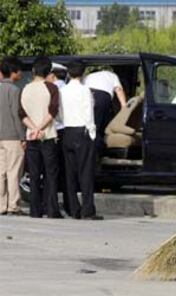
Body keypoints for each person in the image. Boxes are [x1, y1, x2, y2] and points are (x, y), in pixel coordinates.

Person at [19, 56, 62, 218]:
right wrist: (41, 128)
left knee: (34, 174)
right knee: (51, 174)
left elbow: (21, 113)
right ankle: (52, 209)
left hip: (31, 136)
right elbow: (53, 111)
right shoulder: (52, 88)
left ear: (33, 71)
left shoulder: (26, 88)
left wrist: (33, 128)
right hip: (48, 135)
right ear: (49, 71)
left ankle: (35, 210)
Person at [60, 60, 102, 220]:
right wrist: (92, 133)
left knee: (70, 173)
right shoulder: (85, 90)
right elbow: (88, 113)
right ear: (83, 73)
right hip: (82, 132)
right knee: (85, 173)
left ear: (69, 73)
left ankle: (73, 209)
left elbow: (59, 112)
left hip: (68, 130)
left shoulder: (63, 90)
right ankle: (88, 210)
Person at [0, 57, 26, 216]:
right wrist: (23, 137)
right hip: (12, 137)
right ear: (13, 72)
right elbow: (16, 116)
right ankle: (13, 205)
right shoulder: (15, 90)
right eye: (20, 71)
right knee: (14, 171)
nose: (21, 73)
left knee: (0, 172)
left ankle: (1, 205)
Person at [46, 63, 71, 216]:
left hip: (52, 131)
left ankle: (51, 205)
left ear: (52, 75)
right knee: (66, 171)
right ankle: (69, 205)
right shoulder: (67, 89)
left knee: (51, 170)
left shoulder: (51, 90)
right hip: (66, 131)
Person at [84, 69, 127, 154]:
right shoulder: (112, 75)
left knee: (88, 125)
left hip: (86, 95)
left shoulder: (88, 76)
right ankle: (98, 151)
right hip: (102, 96)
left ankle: (87, 150)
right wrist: (124, 106)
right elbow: (118, 89)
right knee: (98, 128)